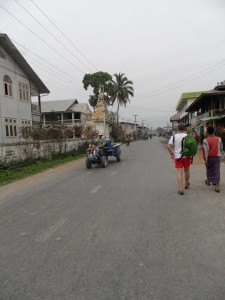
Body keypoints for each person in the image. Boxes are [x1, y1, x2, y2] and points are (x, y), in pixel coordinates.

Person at [167, 124, 192, 195]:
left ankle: (180, 189)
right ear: (185, 129)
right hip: (187, 156)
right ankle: (187, 184)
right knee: (187, 171)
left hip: (178, 157)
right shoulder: (188, 136)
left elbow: (168, 146)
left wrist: (172, 154)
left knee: (179, 173)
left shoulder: (174, 136)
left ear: (177, 129)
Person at [202, 126, 224, 193]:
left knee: (209, 170)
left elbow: (205, 151)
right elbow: (221, 148)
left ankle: (209, 181)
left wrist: (205, 160)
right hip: (217, 157)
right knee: (217, 170)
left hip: (209, 157)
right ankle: (217, 186)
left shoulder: (205, 140)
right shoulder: (219, 139)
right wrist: (222, 155)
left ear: (207, 132)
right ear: (213, 131)